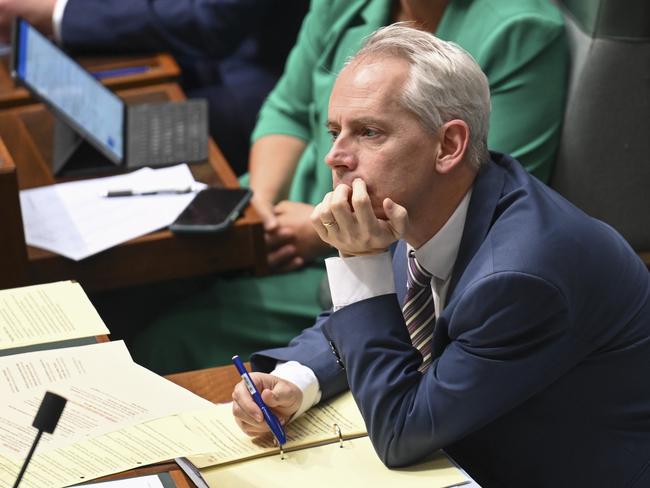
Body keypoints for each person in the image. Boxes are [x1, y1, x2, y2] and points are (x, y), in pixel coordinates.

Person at [231, 25, 650, 487]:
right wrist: (297, 379)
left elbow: (402, 433)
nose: (334, 156)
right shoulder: (423, 201)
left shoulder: (522, 275)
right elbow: (368, 319)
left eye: (368, 132)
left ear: (449, 145)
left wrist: (360, 262)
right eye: (336, 132)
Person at [131, 0, 569, 375]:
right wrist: (262, 203)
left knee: (166, 339)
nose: (334, 153)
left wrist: (316, 231)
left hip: (380, 255)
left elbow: (469, 199)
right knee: (139, 273)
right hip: (278, 208)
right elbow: (287, 107)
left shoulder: (521, 31)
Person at [0, 0, 308, 175]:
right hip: (201, 62)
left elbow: (208, 22)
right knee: (61, 135)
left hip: (260, 94)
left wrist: (57, 14)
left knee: (71, 155)